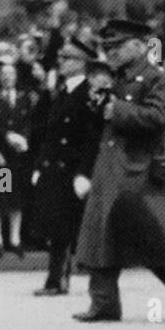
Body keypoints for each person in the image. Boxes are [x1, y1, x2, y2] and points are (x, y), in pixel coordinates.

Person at [71, 19, 165, 322]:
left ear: (140, 45)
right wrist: (97, 105)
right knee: (99, 234)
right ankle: (103, 302)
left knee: (153, 240)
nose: (111, 52)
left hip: (139, 171)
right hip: (111, 167)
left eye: (117, 46)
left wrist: (114, 109)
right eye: (107, 47)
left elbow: (158, 117)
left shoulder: (159, 79)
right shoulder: (114, 79)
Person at [22, 37, 102, 296]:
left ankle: (59, 278)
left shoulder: (88, 93)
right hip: (54, 166)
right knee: (53, 225)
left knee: (66, 226)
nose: (62, 62)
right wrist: (39, 165)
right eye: (62, 58)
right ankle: (55, 278)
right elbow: (47, 132)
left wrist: (84, 172)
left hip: (72, 168)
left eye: (68, 58)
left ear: (83, 63)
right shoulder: (61, 91)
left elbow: (92, 138)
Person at [0, 60, 37, 261]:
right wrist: (7, 136)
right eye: (4, 74)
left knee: (17, 198)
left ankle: (15, 239)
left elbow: (29, 122)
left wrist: (23, 138)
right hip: (2, 158)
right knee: (2, 195)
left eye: (11, 73)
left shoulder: (25, 98)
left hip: (19, 157)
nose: (8, 77)